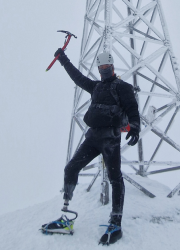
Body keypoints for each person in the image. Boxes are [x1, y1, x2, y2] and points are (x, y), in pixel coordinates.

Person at [41, 48, 140, 245]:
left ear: (112, 67)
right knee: (70, 168)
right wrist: (63, 59)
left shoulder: (123, 87)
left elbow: (132, 108)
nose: (104, 70)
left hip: (110, 139)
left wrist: (135, 127)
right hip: (93, 137)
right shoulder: (95, 87)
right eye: (101, 67)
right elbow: (77, 77)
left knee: (115, 178)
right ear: (99, 68)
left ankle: (115, 222)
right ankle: (66, 215)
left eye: (107, 67)